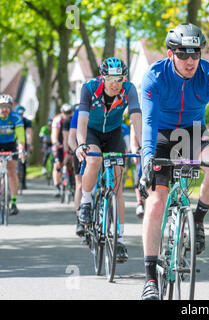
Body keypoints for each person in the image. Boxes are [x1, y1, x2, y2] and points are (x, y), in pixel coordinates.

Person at [138, 23, 209, 300]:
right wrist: (147, 161)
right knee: (156, 203)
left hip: (193, 133)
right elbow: (149, 124)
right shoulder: (154, 76)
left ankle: (198, 221)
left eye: (195, 54)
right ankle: (150, 279)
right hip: (162, 136)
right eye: (183, 54)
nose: (190, 60)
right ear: (171, 54)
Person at [75, 57, 142, 263]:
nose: (115, 84)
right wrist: (81, 144)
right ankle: (86, 202)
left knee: (118, 188)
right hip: (92, 133)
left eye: (119, 79)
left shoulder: (129, 90)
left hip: (113, 134)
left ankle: (120, 239)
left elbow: (136, 117)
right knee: (93, 161)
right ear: (102, 77)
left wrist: (144, 146)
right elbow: (82, 120)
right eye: (110, 79)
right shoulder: (89, 88)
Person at [0, 94, 26, 215]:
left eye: (7, 106)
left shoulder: (15, 117)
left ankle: (14, 202)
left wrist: (21, 148)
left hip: (11, 144)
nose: (4, 109)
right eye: (1, 106)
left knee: (12, 171)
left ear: (10, 107)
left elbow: (20, 134)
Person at [68, 107, 85, 238]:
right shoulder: (79, 112)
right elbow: (70, 139)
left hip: (99, 151)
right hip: (81, 151)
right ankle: (79, 219)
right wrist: (78, 151)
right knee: (80, 185)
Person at [51, 103, 73, 197]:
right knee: (57, 164)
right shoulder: (57, 119)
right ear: (62, 112)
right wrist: (55, 143)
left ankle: (72, 184)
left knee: (71, 162)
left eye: (69, 112)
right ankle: (57, 186)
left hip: (69, 143)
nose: (67, 114)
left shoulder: (72, 119)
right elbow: (54, 134)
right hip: (60, 143)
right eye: (65, 112)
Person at [16, 105, 33, 190]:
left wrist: (29, 144)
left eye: (22, 114)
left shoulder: (27, 121)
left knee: (23, 162)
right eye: (19, 114)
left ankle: (23, 182)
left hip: (22, 142)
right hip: (12, 141)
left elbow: (29, 134)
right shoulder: (14, 120)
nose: (20, 115)